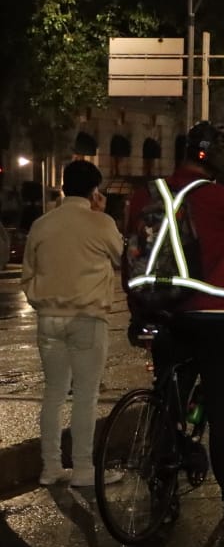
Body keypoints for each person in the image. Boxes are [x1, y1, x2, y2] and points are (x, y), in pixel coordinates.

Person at [127, 122, 224, 526]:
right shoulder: (219, 196)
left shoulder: (146, 194)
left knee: (168, 399)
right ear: (212, 156)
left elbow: (130, 254)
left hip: (162, 313)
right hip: (214, 317)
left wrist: (138, 312)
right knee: (223, 408)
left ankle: (162, 488)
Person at [21, 161, 125, 487]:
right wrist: (103, 213)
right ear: (96, 192)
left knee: (53, 394)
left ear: (64, 186)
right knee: (85, 395)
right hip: (87, 318)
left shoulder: (41, 224)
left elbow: (28, 274)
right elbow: (122, 256)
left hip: (48, 318)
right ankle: (82, 468)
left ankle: (50, 467)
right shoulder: (101, 223)